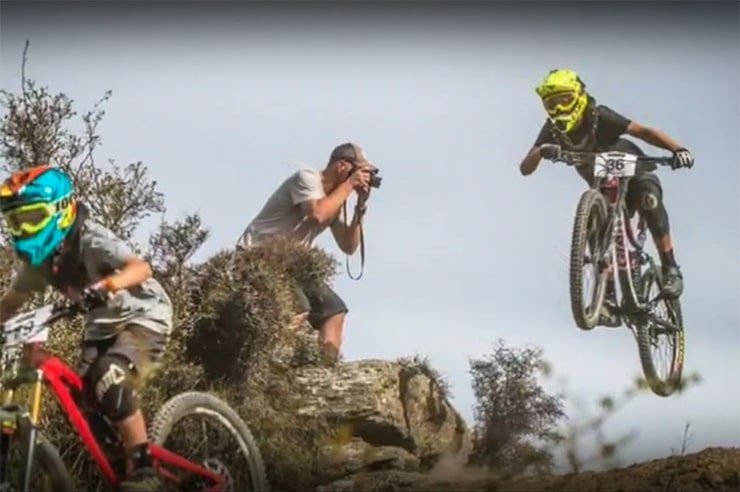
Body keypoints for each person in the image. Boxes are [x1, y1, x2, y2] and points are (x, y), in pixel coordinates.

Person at [0, 165, 171, 492]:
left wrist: (105, 286)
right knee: (81, 399)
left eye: (32, 218)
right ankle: (124, 467)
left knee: (109, 375)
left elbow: (141, 268)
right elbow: (8, 305)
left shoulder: (92, 239)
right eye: (15, 221)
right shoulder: (38, 264)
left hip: (144, 314)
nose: (22, 229)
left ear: (62, 211)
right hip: (101, 327)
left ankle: (147, 470)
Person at [519, 68, 694, 326]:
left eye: (564, 100)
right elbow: (525, 168)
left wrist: (677, 149)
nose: (559, 108)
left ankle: (670, 268)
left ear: (578, 96)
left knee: (649, 200)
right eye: (552, 103)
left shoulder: (598, 116)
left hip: (636, 174)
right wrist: (542, 150)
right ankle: (607, 300)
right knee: (594, 226)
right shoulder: (554, 130)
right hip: (602, 190)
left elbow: (642, 131)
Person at [237, 142, 375, 361]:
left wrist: (360, 208)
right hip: (258, 256)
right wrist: (349, 186)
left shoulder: (335, 198)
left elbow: (348, 246)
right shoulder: (307, 178)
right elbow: (317, 214)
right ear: (342, 166)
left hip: (290, 264)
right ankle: (272, 366)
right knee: (299, 308)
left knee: (334, 310)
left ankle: (326, 369)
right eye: (361, 172)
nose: (365, 179)